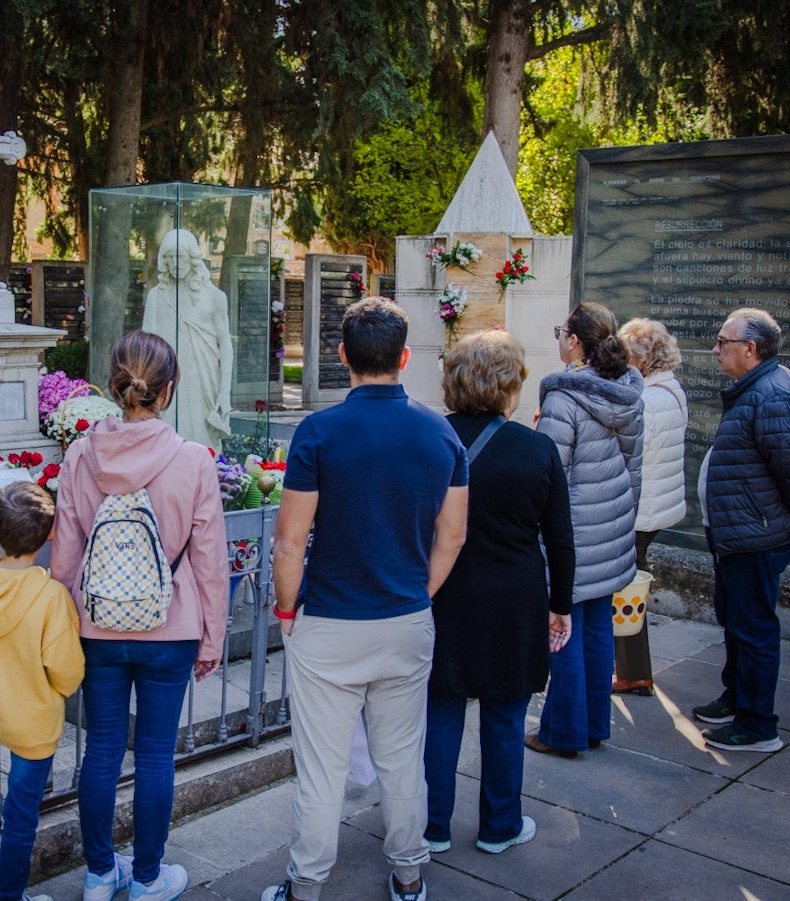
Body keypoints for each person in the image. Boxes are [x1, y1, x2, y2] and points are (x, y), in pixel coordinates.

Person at [262, 297, 469, 901]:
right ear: (404, 357)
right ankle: (409, 874)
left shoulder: (319, 431)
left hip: (329, 619)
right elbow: (451, 536)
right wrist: (418, 594)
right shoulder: (441, 433)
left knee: (321, 769)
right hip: (405, 617)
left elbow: (289, 541)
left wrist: (283, 609)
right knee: (402, 757)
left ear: (342, 356)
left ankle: (306, 884)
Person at [50, 329, 229, 901]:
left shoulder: (79, 456)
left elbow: (65, 555)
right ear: (168, 391)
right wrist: (211, 637)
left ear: (112, 387)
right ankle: (149, 876)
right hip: (169, 630)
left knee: (101, 749)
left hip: (96, 627)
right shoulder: (194, 462)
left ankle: (101, 873)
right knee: (154, 755)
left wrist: (61, 631)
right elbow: (209, 563)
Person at [424, 331, 574, 856]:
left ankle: (431, 826)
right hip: (515, 599)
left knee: (439, 712)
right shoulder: (536, 448)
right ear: (511, 385)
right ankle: (499, 825)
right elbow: (559, 537)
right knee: (506, 717)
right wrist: (561, 606)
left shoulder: (431, 439)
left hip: (442, 596)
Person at [0, 481, 85, 901]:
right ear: (48, 536)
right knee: (21, 817)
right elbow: (67, 674)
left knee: (16, 810)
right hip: (33, 726)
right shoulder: (50, 596)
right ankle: (9, 894)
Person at [693, 308, 790, 752]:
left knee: (753, 627)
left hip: (756, 534)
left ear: (749, 349)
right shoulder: (760, 387)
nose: (715, 349)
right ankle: (737, 697)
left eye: (723, 341)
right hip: (739, 530)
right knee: (736, 621)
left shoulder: (772, 395)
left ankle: (757, 725)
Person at [527, 301, 643, 758]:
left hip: (574, 533)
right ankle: (594, 723)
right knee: (596, 627)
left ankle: (563, 732)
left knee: (563, 631)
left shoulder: (562, 397)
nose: (559, 338)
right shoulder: (627, 387)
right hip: (610, 526)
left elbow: (549, 477)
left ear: (574, 341)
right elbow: (633, 463)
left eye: (561, 331)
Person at [612, 318, 689, 696]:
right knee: (632, 582)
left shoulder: (646, 400)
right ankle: (630, 668)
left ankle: (633, 671)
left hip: (640, 509)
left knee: (628, 588)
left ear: (642, 360)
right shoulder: (671, 390)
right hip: (657, 505)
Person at [142, 228, 233, 450]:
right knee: (166, 440)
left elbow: (225, 346)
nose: (175, 263)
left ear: (192, 257)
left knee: (202, 443)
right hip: (166, 382)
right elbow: (145, 349)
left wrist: (224, 393)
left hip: (203, 381)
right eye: (170, 257)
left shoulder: (214, 297)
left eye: (180, 256)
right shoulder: (156, 297)